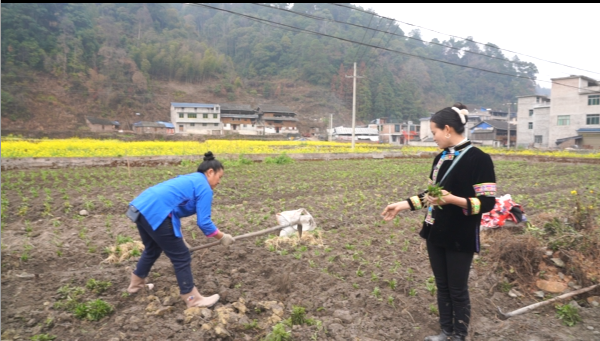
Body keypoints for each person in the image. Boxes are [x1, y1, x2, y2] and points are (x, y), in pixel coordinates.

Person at [381, 103, 496, 341]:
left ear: (447, 129)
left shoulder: (479, 159)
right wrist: (401, 205)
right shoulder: (441, 158)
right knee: (442, 285)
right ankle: (446, 331)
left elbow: (487, 204)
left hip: (460, 235)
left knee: (457, 288)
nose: (433, 138)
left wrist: (453, 199)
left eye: (433, 133)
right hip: (435, 232)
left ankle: (459, 336)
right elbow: (431, 194)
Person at [125, 151, 234, 309]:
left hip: (140, 207)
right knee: (182, 256)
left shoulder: (190, 179)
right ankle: (192, 299)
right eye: (220, 177)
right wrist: (222, 237)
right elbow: (204, 222)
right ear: (210, 172)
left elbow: (173, 212)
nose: (219, 182)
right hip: (157, 211)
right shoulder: (204, 187)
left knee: (152, 248)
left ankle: (135, 285)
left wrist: (180, 239)